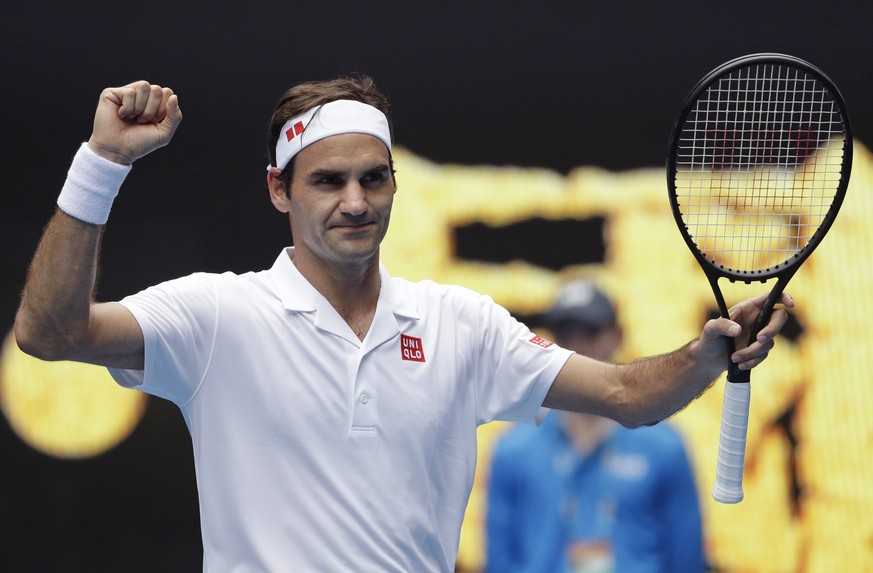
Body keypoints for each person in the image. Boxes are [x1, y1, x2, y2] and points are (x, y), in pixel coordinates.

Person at [13, 76, 792, 572]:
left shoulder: (460, 323)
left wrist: (704, 353)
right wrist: (102, 163)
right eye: (327, 181)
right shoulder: (215, 315)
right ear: (278, 192)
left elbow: (628, 394)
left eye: (372, 178)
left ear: (392, 184)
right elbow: (50, 332)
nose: (354, 201)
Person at [486, 280, 705, 572]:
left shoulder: (664, 446)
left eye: (590, 333)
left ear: (617, 336)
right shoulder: (512, 449)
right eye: (565, 334)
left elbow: (686, 558)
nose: (576, 347)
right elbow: (498, 561)